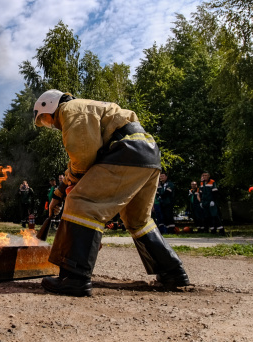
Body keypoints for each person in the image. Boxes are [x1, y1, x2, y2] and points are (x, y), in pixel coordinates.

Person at [33, 89, 190, 296]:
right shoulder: (87, 107)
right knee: (138, 220)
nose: (49, 124)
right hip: (148, 155)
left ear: (50, 105)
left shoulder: (70, 109)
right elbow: (88, 158)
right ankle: (172, 272)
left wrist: (69, 191)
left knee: (81, 203)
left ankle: (74, 278)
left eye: (44, 119)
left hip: (126, 152)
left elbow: (83, 158)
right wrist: (60, 192)